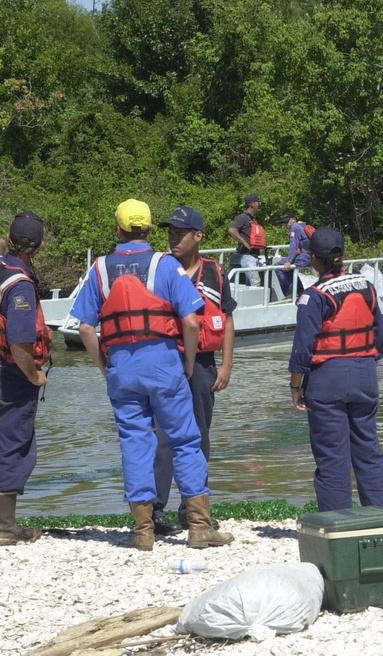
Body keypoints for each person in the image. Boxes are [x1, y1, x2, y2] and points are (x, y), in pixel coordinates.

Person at [69, 199, 233, 550]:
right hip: (164, 364)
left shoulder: (99, 269)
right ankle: (200, 527)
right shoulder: (165, 265)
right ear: (148, 229)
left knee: (135, 442)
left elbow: (85, 328)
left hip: (122, 368)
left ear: (118, 230)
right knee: (186, 440)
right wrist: (188, 364)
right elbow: (190, 321)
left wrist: (105, 367)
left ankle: (143, 531)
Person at [288, 227, 383, 512]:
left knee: (332, 456)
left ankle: (338, 524)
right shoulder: (367, 287)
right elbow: (380, 335)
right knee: (368, 450)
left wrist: (295, 386)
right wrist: (365, 364)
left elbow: (303, 347)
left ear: (314, 259)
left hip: (327, 379)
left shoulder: (313, 296)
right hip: (366, 374)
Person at [151, 206, 237, 535]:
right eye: (170, 232)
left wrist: (226, 364)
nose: (173, 238)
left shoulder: (215, 273)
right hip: (166, 362)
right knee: (162, 438)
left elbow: (227, 319)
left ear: (198, 236)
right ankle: (156, 510)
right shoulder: (160, 270)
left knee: (200, 436)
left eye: (180, 233)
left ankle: (192, 509)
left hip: (202, 364)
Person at [0, 212, 50, 546]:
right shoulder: (20, 286)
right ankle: (5, 530)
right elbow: (20, 344)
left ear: (9, 239)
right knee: (15, 448)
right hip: (9, 373)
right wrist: (35, 376)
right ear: (40, 247)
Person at [227, 193, 264, 286]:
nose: (259, 204)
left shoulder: (252, 219)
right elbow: (232, 230)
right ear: (252, 204)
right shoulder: (243, 217)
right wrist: (244, 242)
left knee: (251, 284)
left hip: (254, 256)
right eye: (258, 202)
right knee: (256, 283)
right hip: (247, 256)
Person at [274, 210, 312, 297]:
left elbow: (293, 246)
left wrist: (289, 261)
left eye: (287, 221)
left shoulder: (295, 227)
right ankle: (299, 290)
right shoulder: (303, 226)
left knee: (278, 267)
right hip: (311, 257)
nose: (286, 224)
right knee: (289, 270)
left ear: (293, 219)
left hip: (304, 258)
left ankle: (290, 293)